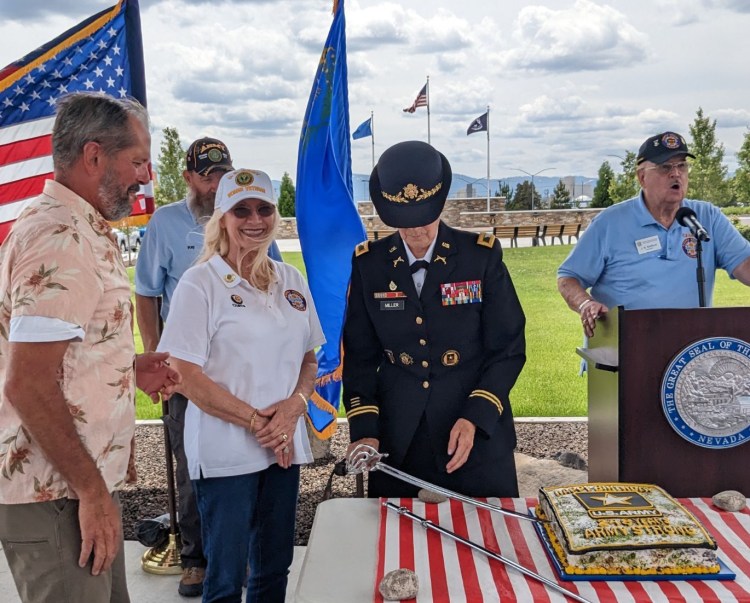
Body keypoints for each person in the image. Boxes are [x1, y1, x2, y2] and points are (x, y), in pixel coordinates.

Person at [0, 92, 180, 603]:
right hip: (60, 492)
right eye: (138, 161)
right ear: (94, 156)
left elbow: (59, 357)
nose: (145, 176)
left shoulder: (80, 226)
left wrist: (125, 367)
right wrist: (92, 492)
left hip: (76, 487)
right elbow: (27, 382)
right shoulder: (60, 237)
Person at [156, 168, 324, 603]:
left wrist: (295, 406)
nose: (254, 220)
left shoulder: (291, 280)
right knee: (226, 575)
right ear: (222, 218)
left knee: (274, 566)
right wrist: (256, 421)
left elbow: (309, 358)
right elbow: (184, 374)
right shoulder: (200, 283)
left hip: (282, 447)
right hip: (226, 452)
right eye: (241, 210)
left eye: (263, 209)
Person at [135, 137, 282, 597]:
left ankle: (243, 557)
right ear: (188, 177)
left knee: (253, 466)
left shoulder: (249, 223)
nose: (215, 183)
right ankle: (196, 558)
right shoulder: (165, 223)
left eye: (223, 174)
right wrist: (159, 358)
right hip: (189, 371)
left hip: (244, 372)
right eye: (207, 175)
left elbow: (273, 283)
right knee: (192, 467)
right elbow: (147, 293)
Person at [342, 140, 527, 498]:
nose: (415, 231)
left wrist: (476, 415)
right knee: (396, 530)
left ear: (440, 204)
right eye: (403, 222)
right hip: (399, 438)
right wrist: (364, 430)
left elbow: (508, 348)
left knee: (485, 526)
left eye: (423, 219)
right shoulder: (370, 263)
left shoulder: (479, 257)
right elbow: (361, 356)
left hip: (474, 430)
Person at [558, 131, 750, 336]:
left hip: (689, 349)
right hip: (625, 346)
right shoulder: (609, 223)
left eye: (682, 166)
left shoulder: (707, 217)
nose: (676, 174)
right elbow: (569, 278)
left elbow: (745, 265)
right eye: (665, 167)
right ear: (642, 177)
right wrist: (585, 303)